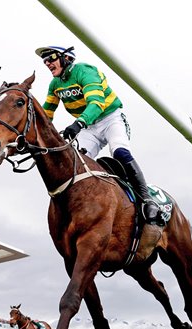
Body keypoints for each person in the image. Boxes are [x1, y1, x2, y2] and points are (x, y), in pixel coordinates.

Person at [35, 45, 164, 226]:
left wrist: (78, 123)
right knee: (76, 162)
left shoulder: (85, 71)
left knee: (120, 153)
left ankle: (148, 200)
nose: (47, 63)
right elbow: (46, 115)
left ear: (66, 58)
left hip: (110, 119)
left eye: (51, 58)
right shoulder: (55, 84)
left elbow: (96, 103)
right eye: (45, 60)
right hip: (89, 127)